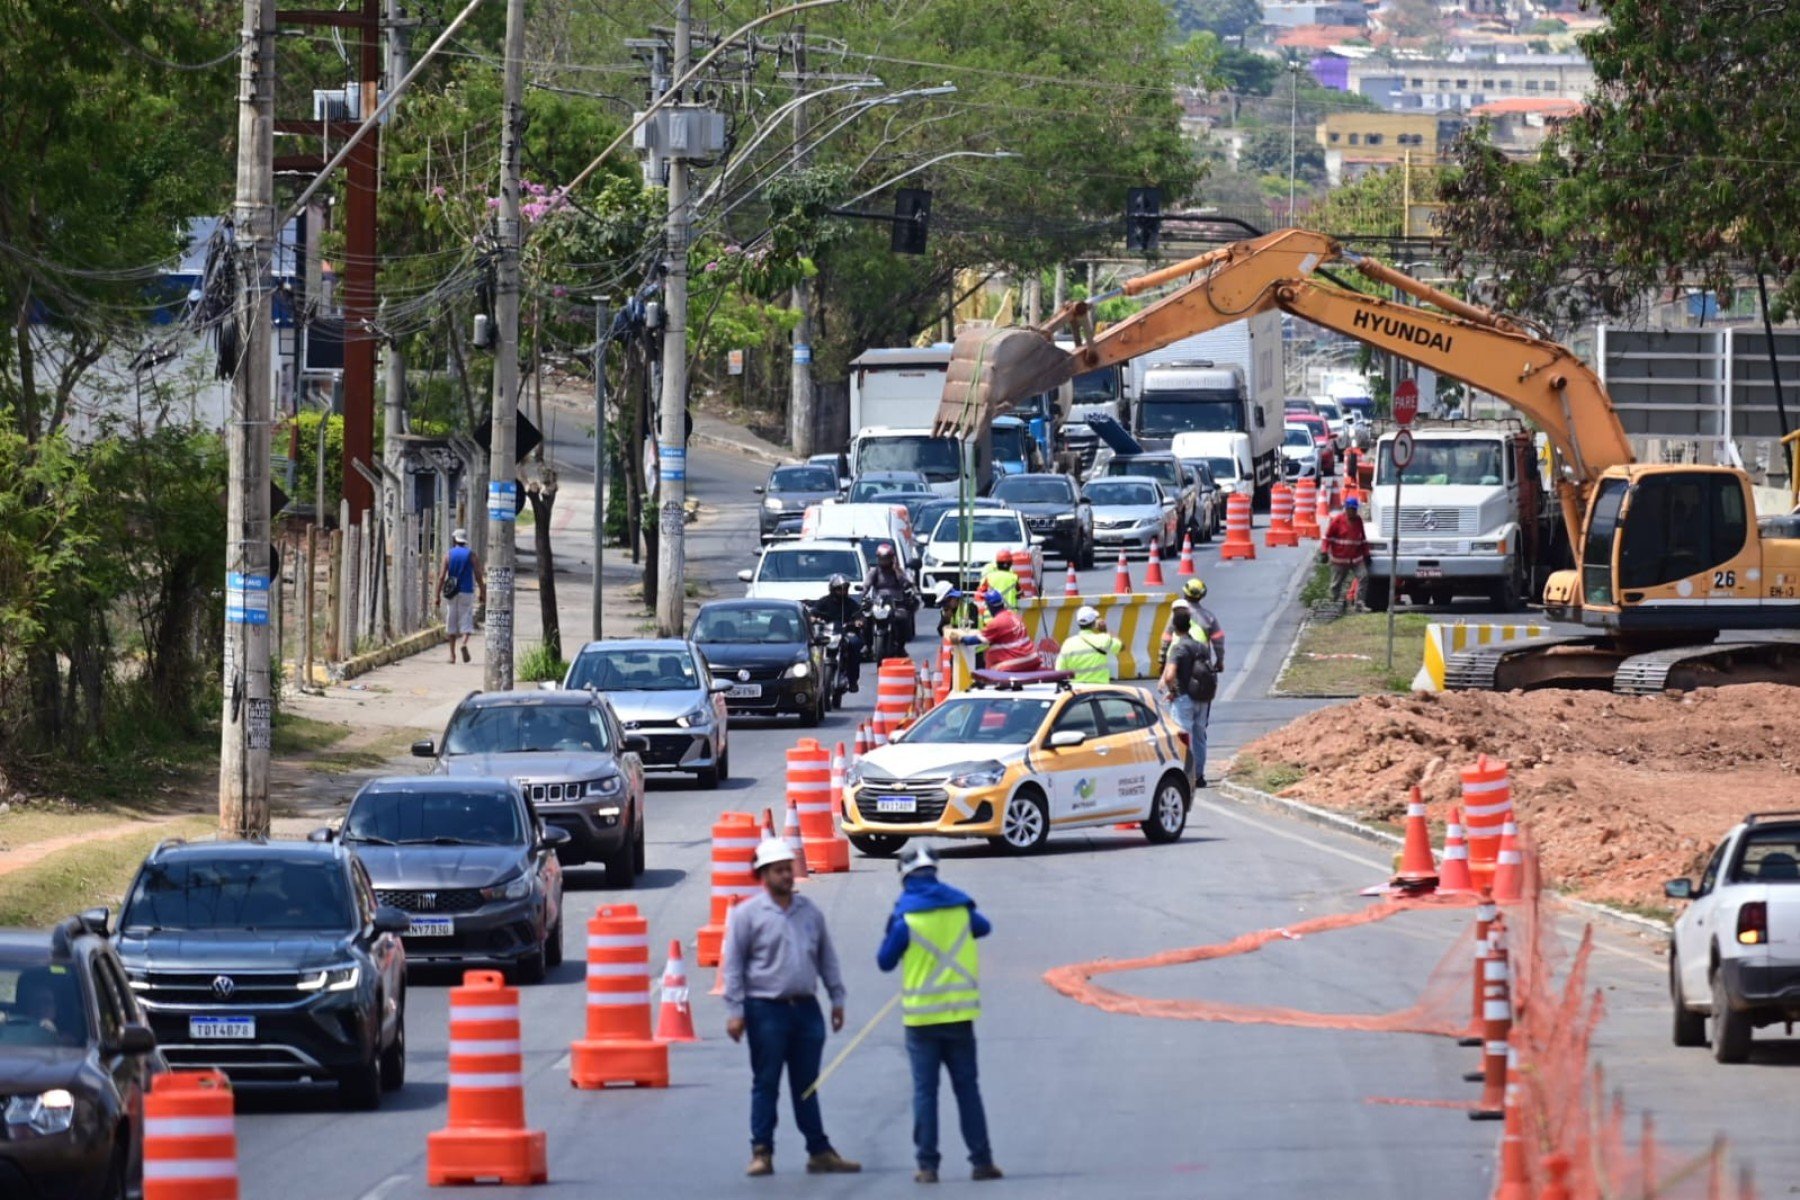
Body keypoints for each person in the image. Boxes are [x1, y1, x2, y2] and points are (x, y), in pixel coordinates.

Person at [724, 838, 861, 1179]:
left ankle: (819, 1151)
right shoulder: (747, 916)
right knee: (766, 1082)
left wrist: (837, 998)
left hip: (806, 1011)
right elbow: (733, 966)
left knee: (807, 1085)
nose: (787, 875)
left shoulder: (809, 913)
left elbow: (827, 958)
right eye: (779, 871)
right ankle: (762, 1152)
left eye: (789, 869)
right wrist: (736, 1011)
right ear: (763, 875)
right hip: (765, 1011)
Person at [877, 846, 1002, 1185]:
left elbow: (885, 961)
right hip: (959, 1016)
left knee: (925, 1093)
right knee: (967, 1090)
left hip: (921, 1022)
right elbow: (984, 927)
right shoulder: (960, 908)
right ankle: (982, 1161)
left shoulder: (905, 918)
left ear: (905, 878)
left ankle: (928, 1166)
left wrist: (894, 925)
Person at [1159, 608, 1220, 788]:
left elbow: (1169, 676)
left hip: (1183, 698)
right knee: (1200, 736)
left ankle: (1187, 775)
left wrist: (1171, 691)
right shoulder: (1201, 646)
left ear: (1175, 627)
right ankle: (1199, 776)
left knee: (1184, 737)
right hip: (1202, 697)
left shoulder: (1178, 648)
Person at [948, 589, 1038, 672]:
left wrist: (960, 639)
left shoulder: (997, 622)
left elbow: (976, 640)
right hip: (1033, 657)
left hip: (1020, 661)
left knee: (991, 671)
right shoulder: (1014, 615)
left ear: (990, 606)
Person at [805, 575, 864, 693]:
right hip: (828, 633)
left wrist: (859, 622)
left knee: (854, 643)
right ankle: (809, 676)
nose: (842, 592)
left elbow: (859, 615)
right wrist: (813, 618)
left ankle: (852, 680)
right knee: (810, 645)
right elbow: (814, 612)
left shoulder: (850, 603)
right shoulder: (824, 601)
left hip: (846, 632)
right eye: (839, 589)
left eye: (844, 589)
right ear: (832, 589)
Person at [437, 528, 486, 663]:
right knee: (466, 620)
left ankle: (452, 656)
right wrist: (482, 592)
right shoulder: (471, 555)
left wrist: (436, 595)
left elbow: (441, 577)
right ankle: (464, 643)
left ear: (454, 540)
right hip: (467, 591)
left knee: (451, 622)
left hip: (452, 592)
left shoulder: (448, 555)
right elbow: (478, 575)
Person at [1323, 495, 1372, 610]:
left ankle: (1359, 603)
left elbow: (1363, 539)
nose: (1353, 512)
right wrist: (1324, 552)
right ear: (1346, 509)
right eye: (1351, 509)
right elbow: (1327, 538)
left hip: (1356, 558)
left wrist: (1366, 554)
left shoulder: (1358, 521)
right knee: (1336, 583)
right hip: (1340, 559)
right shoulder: (1337, 521)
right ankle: (1334, 602)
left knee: (1363, 577)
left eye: (1355, 509)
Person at [1055, 605, 1122, 683]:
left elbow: (1059, 671)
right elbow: (1120, 646)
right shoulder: (1103, 639)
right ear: (1094, 623)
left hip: (1077, 692)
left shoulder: (1068, 644)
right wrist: (1105, 630)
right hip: (1100, 690)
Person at [979, 549, 1020, 613]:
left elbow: (980, 594)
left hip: (991, 617)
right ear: (1010, 564)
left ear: (997, 563)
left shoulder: (989, 577)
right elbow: (1020, 595)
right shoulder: (1014, 578)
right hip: (1010, 617)